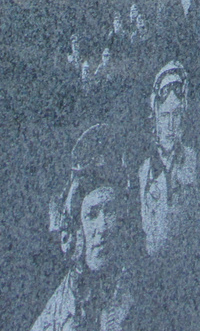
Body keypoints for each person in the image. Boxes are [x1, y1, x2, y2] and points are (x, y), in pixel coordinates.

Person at [36, 124, 136, 331]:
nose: (103, 227)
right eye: (92, 214)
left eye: (110, 211)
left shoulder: (138, 291)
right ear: (78, 228)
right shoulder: (62, 304)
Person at [138, 61, 198, 260]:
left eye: (177, 115)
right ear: (155, 117)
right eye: (165, 116)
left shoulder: (193, 160)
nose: (171, 125)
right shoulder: (145, 169)